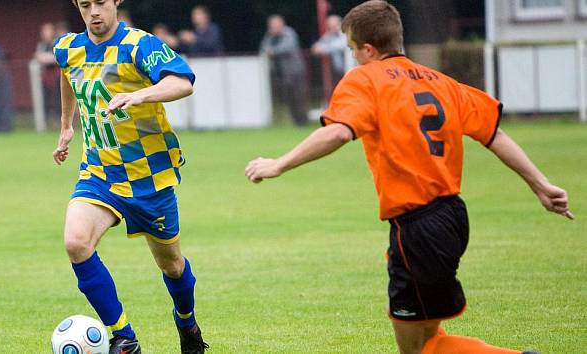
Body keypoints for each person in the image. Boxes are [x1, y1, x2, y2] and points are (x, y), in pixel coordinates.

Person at [245, 2, 573, 354]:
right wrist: (541, 185)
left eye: (353, 49)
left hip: (417, 227)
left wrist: (279, 163)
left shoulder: (364, 79)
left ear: (369, 49)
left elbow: (339, 133)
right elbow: (495, 134)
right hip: (452, 218)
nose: (353, 57)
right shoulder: (441, 81)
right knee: (429, 338)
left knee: (416, 349)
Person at [53, 1, 208, 353]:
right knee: (76, 241)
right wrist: (66, 125)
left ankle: (187, 322)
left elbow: (182, 82)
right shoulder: (68, 47)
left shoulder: (140, 45)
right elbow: (67, 73)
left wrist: (138, 95)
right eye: (85, 4)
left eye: (101, 3)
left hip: (149, 178)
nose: (94, 12)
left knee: (171, 265)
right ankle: (124, 336)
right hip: (99, 172)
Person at [260, 15, 309, 126]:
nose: (274, 27)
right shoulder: (270, 36)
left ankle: (303, 121)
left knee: (299, 97)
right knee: (289, 98)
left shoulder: (289, 33)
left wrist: (273, 51)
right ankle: (296, 121)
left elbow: (288, 47)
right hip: (282, 72)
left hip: (295, 71)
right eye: (272, 25)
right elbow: (263, 47)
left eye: (276, 25)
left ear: (282, 24)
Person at [311, 15, 348, 87]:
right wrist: (316, 47)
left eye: (334, 25)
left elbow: (340, 45)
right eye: (330, 26)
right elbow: (318, 46)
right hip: (339, 71)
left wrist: (323, 49)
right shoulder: (330, 35)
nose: (332, 27)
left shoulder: (346, 33)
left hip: (351, 68)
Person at [34, 22, 61, 122]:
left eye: (48, 30)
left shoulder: (57, 43)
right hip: (46, 77)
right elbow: (38, 56)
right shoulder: (41, 45)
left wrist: (47, 58)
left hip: (57, 77)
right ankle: (46, 121)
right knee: (45, 99)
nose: (45, 33)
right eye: (44, 31)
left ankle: (60, 120)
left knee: (59, 98)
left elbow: (58, 58)